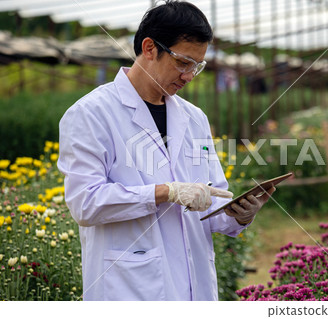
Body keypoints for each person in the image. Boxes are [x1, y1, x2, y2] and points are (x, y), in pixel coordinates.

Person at [57, 0, 275, 301]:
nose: (189, 76)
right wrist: (165, 192)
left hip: (194, 285)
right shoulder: (91, 114)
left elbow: (210, 202)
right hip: (127, 286)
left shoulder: (194, 118)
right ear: (149, 48)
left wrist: (239, 214)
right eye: (183, 62)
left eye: (197, 66)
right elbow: (85, 203)